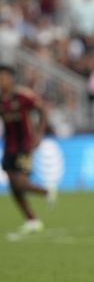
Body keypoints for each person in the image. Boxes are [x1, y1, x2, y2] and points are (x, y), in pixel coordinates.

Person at [0, 64, 54, 240]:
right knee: (13, 187)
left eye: (3, 77)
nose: (1, 80)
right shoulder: (1, 99)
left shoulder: (23, 96)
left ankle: (46, 191)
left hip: (24, 146)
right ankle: (31, 220)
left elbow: (42, 109)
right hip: (8, 146)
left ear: (11, 78)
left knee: (21, 183)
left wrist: (39, 133)